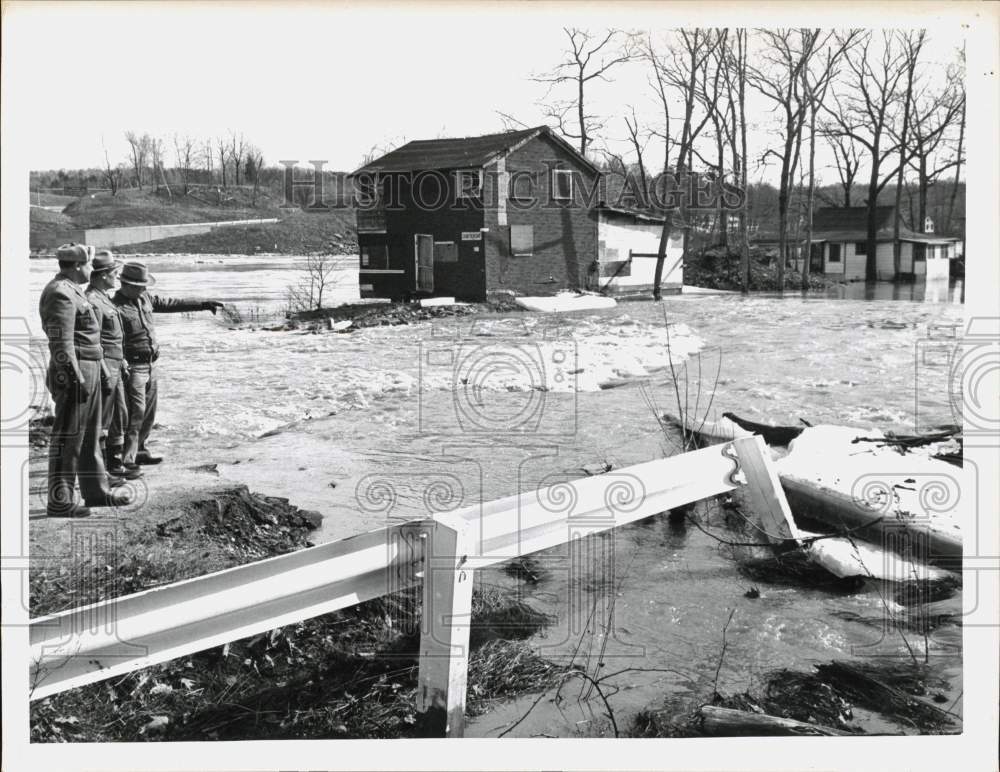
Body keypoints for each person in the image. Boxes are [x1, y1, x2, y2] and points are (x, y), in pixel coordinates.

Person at [39, 244, 133, 517]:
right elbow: (61, 342)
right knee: (67, 438)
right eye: (90, 265)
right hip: (74, 370)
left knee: (90, 436)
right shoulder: (60, 293)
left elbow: (89, 339)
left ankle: (96, 492)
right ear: (79, 265)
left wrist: (100, 369)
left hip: (89, 367)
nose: (92, 271)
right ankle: (60, 501)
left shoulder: (73, 290)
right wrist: (74, 377)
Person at [112, 262, 224, 466]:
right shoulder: (115, 306)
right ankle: (127, 460)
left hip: (151, 364)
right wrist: (121, 363)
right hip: (133, 367)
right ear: (125, 284)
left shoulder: (145, 298)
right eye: (139, 285)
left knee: (149, 412)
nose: (144, 289)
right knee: (135, 413)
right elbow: (111, 340)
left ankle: (141, 451)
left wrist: (204, 304)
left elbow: (172, 303)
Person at [85, 250, 141, 483]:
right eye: (114, 273)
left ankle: (114, 463)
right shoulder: (93, 300)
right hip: (105, 366)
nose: (116, 278)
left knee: (120, 415)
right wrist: (106, 370)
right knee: (105, 420)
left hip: (116, 364)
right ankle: (106, 469)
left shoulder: (103, 297)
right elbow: (94, 339)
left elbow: (113, 336)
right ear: (103, 275)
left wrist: (123, 360)